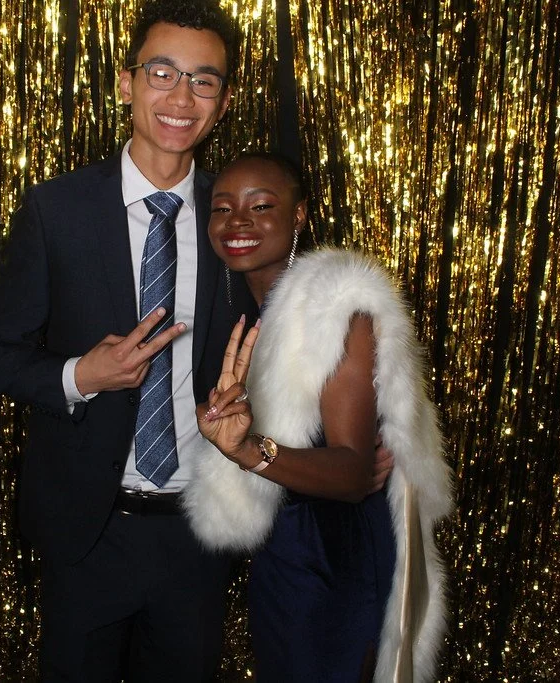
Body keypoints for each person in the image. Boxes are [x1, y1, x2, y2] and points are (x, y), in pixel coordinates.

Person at [0, 2, 258, 680]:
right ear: (126, 82)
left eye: (204, 80)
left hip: (200, 529)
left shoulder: (239, 219)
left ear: (223, 99)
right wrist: (80, 375)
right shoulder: (56, 210)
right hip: (87, 529)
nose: (181, 97)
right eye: (163, 72)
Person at [182, 153, 453, 682]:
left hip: (333, 553)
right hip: (285, 544)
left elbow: (354, 474)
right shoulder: (244, 307)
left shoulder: (336, 310)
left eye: (261, 206)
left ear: (299, 216)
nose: (237, 222)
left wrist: (247, 451)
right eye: (222, 208)